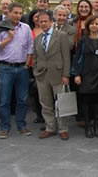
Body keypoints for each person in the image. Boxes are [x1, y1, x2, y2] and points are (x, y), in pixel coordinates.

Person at [0, 2, 34, 139]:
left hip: (22, 68)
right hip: (5, 68)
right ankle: (5, 127)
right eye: (15, 13)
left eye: (20, 13)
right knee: (4, 100)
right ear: (8, 13)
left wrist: (26, 65)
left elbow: (30, 47)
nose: (18, 16)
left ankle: (21, 125)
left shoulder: (25, 28)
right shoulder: (0, 27)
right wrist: (8, 39)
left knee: (22, 99)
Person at [33, 11, 71, 140]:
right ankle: (50, 127)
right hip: (42, 75)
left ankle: (63, 128)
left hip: (58, 74)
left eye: (45, 21)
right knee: (45, 103)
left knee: (61, 103)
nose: (43, 24)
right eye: (41, 22)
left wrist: (66, 74)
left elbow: (66, 57)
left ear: (51, 22)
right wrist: (36, 70)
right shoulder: (37, 38)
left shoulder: (61, 36)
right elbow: (36, 57)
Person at [74, 15, 98, 138]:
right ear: (88, 25)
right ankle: (88, 126)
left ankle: (96, 125)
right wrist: (77, 74)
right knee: (86, 102)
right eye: (92, 24)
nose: (94, 26)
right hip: (85, 75)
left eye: (97, 24)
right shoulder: (83, 40)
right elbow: (77, 58)